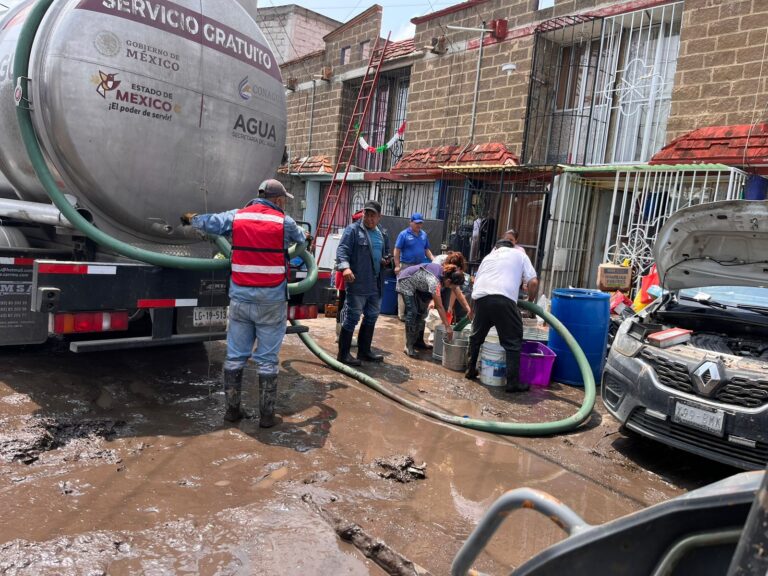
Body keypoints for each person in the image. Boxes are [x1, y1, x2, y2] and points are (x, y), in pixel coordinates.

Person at [181, 179, 307, 427]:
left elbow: (211, 222)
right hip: (271, 301)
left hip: (240, 300)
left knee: (235, 356)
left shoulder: (237, 217)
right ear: (279, 200)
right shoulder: (285, 222)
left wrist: (190, 218)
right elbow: (301, 238)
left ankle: (232, 412)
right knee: (268, 360)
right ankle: (267, 417)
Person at [465, 238, 539, 393]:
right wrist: (530, 301)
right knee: (513, 342)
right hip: (504, 300)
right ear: (512, 247)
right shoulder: (520, 255)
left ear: (495, 247)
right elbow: (533, 283)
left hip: (481, 299)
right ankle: (512, 383)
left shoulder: (488, 257)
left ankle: (470, 370)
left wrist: (472, 309)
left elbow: (477, 283)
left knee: (476, 337)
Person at [335, 200, 391, 366]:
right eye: (367, 214)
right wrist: (345, 268)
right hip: (358, 283)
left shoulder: (382, 234)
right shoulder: (352, 230)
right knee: (352, 317)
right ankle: (343, 355)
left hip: (376, 283)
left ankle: (364, 351)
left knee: (372, 316)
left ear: (379, 217)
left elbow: (387, 253)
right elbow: (342, 250)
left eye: (373, 215)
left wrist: (386, 260)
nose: (369, 218)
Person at [397, 262, 465, 357]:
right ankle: (408, 345)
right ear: (449, 281)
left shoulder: (445, 275)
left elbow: (457, 293)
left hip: (419, 285)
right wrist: (447, 326)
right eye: (452, 287)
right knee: (412, 312)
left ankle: (418, 342)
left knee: (422, 313)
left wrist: (468, 309)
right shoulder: (435, 281)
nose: (452, 289)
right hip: (406, 280)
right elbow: (440, 306)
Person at [394, 213, 434, 321]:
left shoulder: (424, 235)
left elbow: (426, 250)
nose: (419, 225)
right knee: (403, 290)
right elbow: (397, 250)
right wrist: (397, 266)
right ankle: (401, 315)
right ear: (411, 222)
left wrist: (433, 259)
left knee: (417, 289)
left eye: (420, 223)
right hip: (406, 266)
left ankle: (414, 313)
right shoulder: (403, 234)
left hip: (419, 266)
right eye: (416, 223)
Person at [333, 209, 364, 345]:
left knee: (346, 303)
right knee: (344, 302)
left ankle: (341, 334)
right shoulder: (352, 232)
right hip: (345, 274)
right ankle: (340, 334)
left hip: (349, 273)